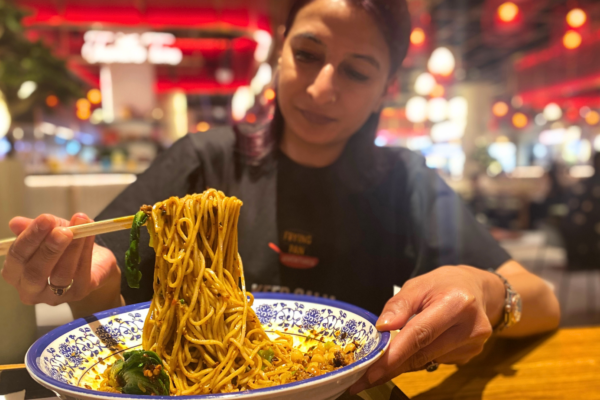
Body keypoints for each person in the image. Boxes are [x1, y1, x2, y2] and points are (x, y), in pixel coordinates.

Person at [2, 0, 560, 396]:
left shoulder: (404, 180)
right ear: (279, 54)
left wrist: (487, 290)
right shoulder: (204, 161)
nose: (321, 87)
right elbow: (96, 284)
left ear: (386, 90)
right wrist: (77, 282)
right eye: (308, 53)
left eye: (357, 71)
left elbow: (544, 301)